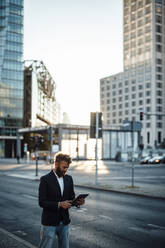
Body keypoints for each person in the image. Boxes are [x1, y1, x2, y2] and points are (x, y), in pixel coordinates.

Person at [38, 152, 84, 248]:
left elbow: (71, 197)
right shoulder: (45, 179)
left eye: (67, 167)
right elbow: (42, 202)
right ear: (56, 164)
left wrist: (77, 202)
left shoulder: (69, 179)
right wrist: (59, 204)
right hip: (49, 223)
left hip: (64, 222)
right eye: (64, 167)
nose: (65, 170)